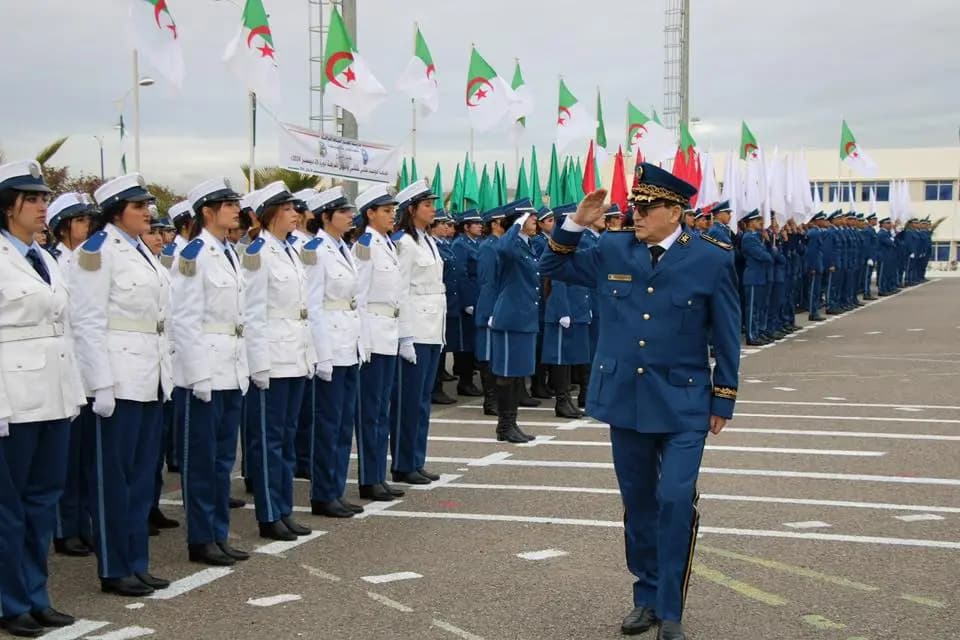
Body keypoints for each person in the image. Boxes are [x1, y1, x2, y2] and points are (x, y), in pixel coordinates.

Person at [541, 164, 741, 640]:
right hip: (626, 399)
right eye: (635, 206)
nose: (636, 215)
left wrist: (724, 397)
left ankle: (670, 610)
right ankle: (646, 596)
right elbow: (549, 267)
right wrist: (574, 222)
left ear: (675, 212)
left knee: (674, 498)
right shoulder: (613, 247)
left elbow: (728, 332)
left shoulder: (711, 259)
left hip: (684, 402)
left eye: (647, 208)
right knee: (638, 502)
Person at [70, 173, 173, 597]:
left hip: (149, 376)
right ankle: (114, 567)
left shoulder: (140, 251)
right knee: (114, 478)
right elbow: (88, 322)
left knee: (140, 476)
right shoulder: (97, 252)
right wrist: (101, 384)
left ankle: (137, 562)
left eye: (147, 205)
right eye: (138, 207)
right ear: (116, 212)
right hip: (118, 377)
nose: (147, 212)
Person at [0, 160, 87, 637]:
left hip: (53, 395)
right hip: (12, 398)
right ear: (7, 206)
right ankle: (10, 601)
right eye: (31, 199)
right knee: (7, 508)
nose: (41, 206)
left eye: (41, 198)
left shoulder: (45, 257)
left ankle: (36, 594)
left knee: (40, 504)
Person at [170, 177, 250, 566]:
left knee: (222, 461)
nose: (236, 209)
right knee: (201, 462)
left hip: (230, 367)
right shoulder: (193, 254)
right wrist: (197, 374)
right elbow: (183, 320)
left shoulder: (229, 251)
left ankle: (218, 533)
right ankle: (201, 538)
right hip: (204, 371)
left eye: (235, 203)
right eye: (227, 204)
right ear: (207, 211)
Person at [242, 181, 317, 541]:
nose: (295, 214)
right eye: (287, 209)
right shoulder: (258, 254)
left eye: (294, 209)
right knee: (269, 440)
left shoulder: (290, 250)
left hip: (295, 355)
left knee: (286, 439)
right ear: (271, 214)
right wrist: (258, 364)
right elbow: (253, 313)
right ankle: (269, 513)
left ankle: (284, 509)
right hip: (272, 358)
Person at [302, 187, 365, 518]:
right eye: (343, 211)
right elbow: (313, 306)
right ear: (326, 216)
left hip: (348, 346)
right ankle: (323, 493)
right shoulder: (316, 251)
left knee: (343, 424)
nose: (350, 215)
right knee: (327, 424)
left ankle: (336, 489)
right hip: (329, 347)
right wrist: (321, 354)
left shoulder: (344, 249)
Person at [45, 192, 97, 559]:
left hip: (85, 368)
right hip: (65, 366)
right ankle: (64, 529)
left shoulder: (86, 260)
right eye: (80, 220)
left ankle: (82, 523)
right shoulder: (54, 261)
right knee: (66, 458)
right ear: (64, 225)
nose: (88, 226)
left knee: (83, 457)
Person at [352, 184, 405, 502]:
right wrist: (363, 341)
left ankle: (377, 474)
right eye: (386, 211)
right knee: (370, 411)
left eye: (393, 211)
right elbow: (357, 297)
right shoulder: (365, 246)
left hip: (388, 333)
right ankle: (368, 478)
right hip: (372, 334)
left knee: (381, 411)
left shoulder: (386, 244)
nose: (391, 216)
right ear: (369, 213)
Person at [390, 179, 444, 485]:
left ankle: (416, 459)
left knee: (422, 401)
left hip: (433, 329)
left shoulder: (427, 239)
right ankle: (402, 462)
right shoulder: (405, 243)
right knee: (408, 401)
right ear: (411, 210)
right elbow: (400, 291)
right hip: (415, 330)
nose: (433, 209)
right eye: (427, 204)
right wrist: (404, 335)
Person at [489, 198, 542, 443]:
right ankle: (504, 425)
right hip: (510, 319)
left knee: (518, 372)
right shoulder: (511, 245)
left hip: (524, 318)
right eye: (530, 217)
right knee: (507, 373)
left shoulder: (527, 246)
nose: (535, 220)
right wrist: (517, 224)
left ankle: (512, 423)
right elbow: (503, 249)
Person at [474, 206, 506, 416]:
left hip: (501, 305)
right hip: (490, 306)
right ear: (494, 223)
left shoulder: (503, 244)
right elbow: (487, 282)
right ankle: (490, 400)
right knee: (487, 355)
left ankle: (499, 398)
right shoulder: (488, 247)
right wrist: (489, 310)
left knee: (497, 355)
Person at [449, 209, 484, 398]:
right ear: (466, 227)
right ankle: (465, 381)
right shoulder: (460, 245)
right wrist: (467, 301)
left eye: (480, 223)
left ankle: (468, 379)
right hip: (467, 301)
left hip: (477, 297)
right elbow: (460, 275)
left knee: (473, 342)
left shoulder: (476, 243)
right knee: (465, 344)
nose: (480, 226)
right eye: (475, 223)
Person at [740, 210, 772, 345]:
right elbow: (764, 256)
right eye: (758, 220)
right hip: (752, 276)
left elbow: (767, 255)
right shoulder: (748, 237)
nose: (762, 223)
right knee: (752, 308)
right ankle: (751, 335)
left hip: (759, 276)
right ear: (751, 222)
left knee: (758, 307)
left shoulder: (757, 237)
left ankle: (757, 332)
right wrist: (768, 252)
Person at [46, 192, 95, 273]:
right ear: (61, 230)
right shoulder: (50, 261)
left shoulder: (101, 253)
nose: (88, 223)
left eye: (89, 219)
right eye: (80, 220)